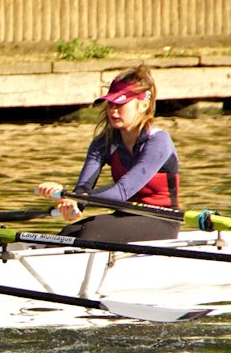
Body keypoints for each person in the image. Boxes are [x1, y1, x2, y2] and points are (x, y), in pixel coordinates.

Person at [37, 64, 180, 242]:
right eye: (111, 103)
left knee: (89, 232)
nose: (113, 110)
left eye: (121, 103)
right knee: (68, 232)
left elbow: (123, 191)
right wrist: (71, 205)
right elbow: (83, 191)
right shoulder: (103, 143)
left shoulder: (158, 141)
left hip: (162, 220)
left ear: (143, 105)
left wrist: (75, 199)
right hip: (125, 216)